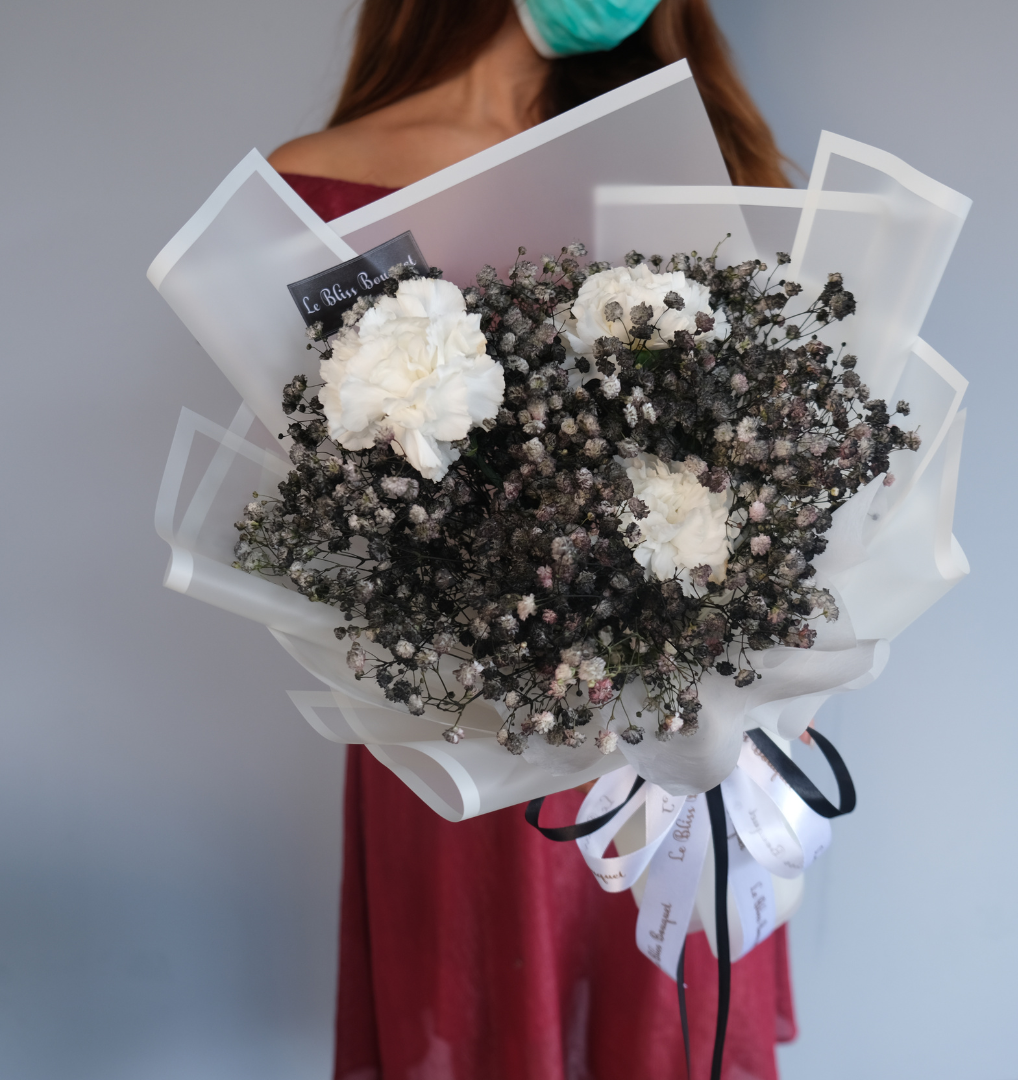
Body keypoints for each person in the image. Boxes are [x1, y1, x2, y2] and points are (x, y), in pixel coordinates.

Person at [271, 3, 795, 1077]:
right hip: (461, 735)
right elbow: (322, 489)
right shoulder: (315, 191)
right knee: (482, 1016)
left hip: (667, 738)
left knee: (666, 1027)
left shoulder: (692, 147)